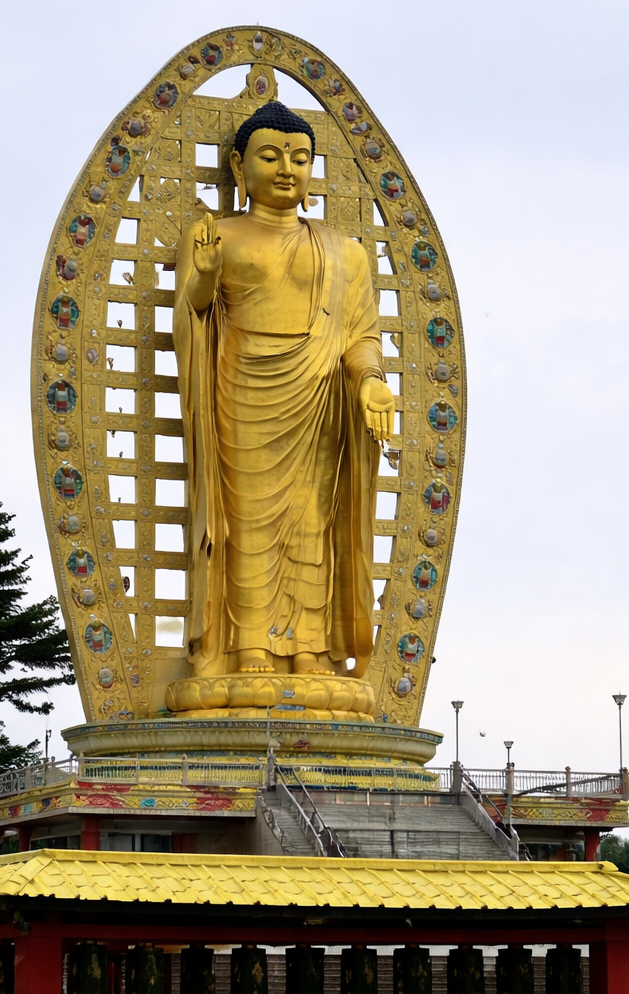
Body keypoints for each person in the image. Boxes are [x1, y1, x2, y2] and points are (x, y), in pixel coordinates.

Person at [173, 101, 396, 685]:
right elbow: (193, 316)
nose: (286, 170)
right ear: (238, 166)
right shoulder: (217, 236)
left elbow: (360, 335)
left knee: (311, 524)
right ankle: (249, 645)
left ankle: (310, 650)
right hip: (242, 390)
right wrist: (203, 274)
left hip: (319, 395)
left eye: (299, 159)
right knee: (249, 523)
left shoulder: (345, 252)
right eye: (270, 156)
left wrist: (370, 381)